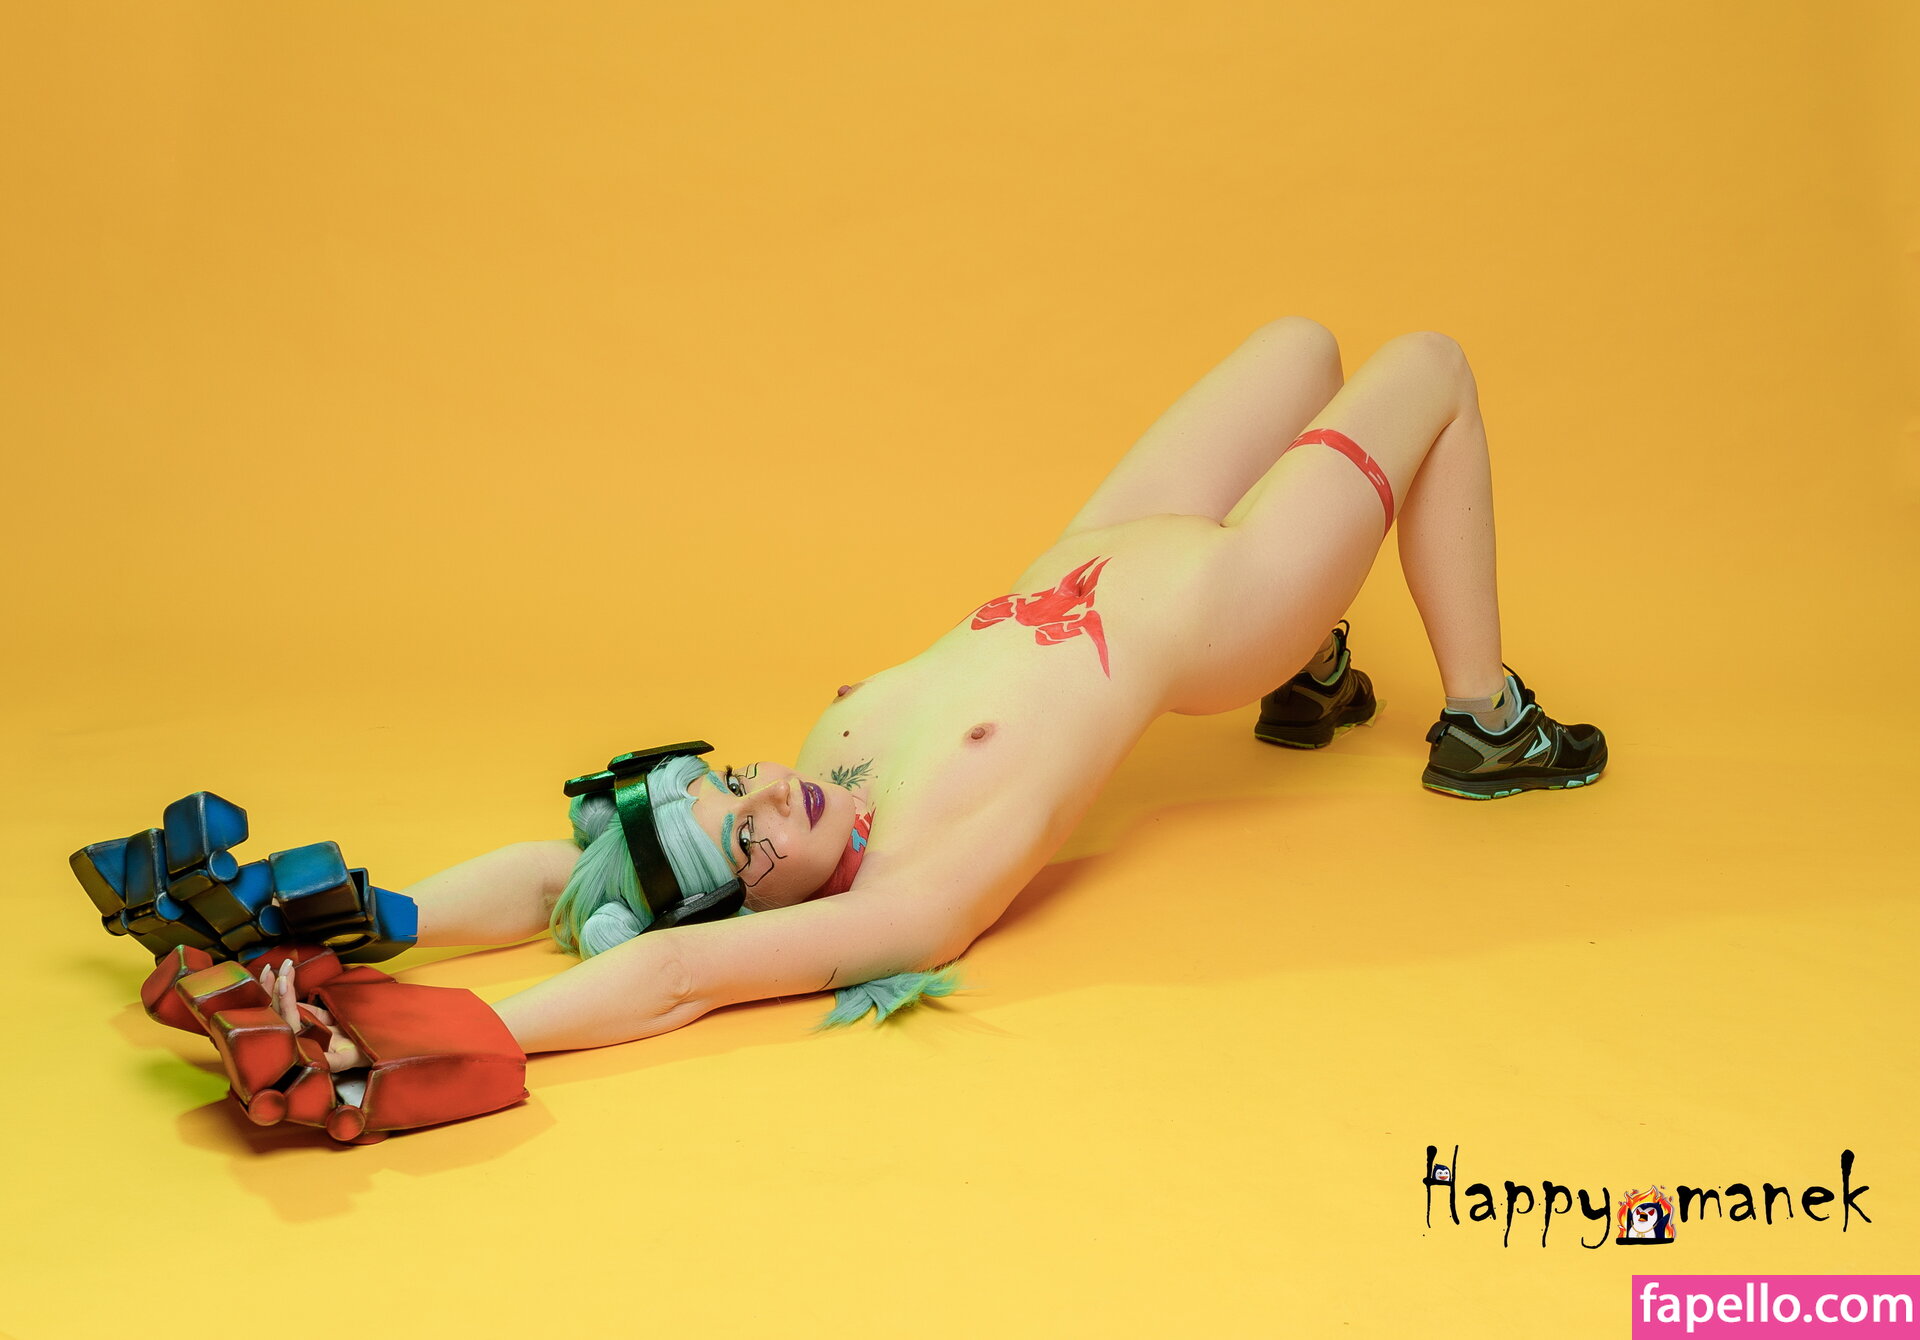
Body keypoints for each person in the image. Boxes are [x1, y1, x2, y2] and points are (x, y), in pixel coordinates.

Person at [100, 318, 1608, 1134]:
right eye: (750, 842)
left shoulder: (827, 776)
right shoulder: (912, 892)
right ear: (770, 910)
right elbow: (673, 969)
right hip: (1219, 606)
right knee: (1432, 364)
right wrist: (449, 1035)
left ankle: (1322, 672)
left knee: (1303, 343)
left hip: (1102, 542)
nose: (768, 796)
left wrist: (373, 920)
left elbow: (570, 878)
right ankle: (1484, 722)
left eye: (731, 787)